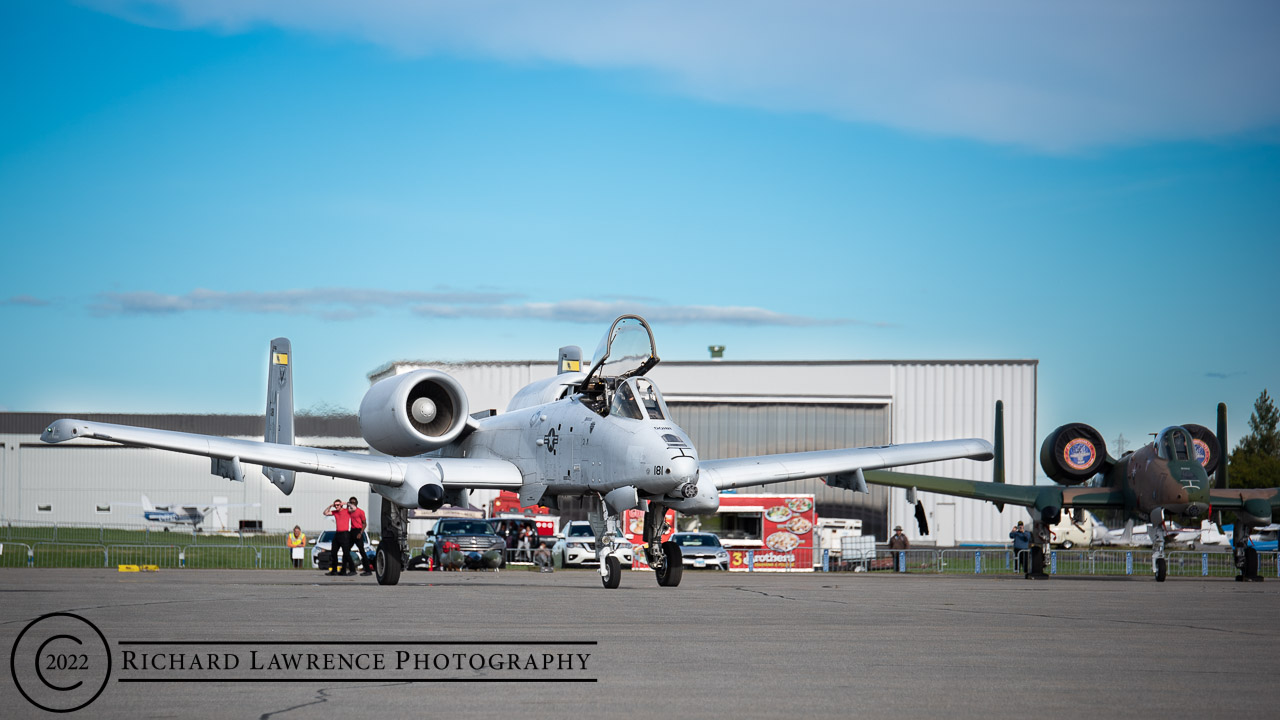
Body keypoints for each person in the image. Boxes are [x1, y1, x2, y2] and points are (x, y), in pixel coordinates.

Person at [323, 498, 353, 576]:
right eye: (335, 505)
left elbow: (353, 508)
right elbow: (325, 513)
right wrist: (330, 506)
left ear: (341, 505)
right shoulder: (335, 512)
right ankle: (334, 570)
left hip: (345, 534)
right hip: (338, 534)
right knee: (333, 552)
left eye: (338, 505)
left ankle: (350, 569)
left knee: (346, 553)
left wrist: (346, 503)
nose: (336, 507)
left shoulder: (346, 511)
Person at [346, 497, 371, 576]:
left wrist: (360, 533)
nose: (352, 504)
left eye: (353, 502)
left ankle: (368, 570)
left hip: (358, 531)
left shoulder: (360, 512)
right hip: (352, 531)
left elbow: (364, 523)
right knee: (346, 550)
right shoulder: (350, 511)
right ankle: (352, 570)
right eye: (351, 502)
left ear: (356, 503)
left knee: (362, 551)